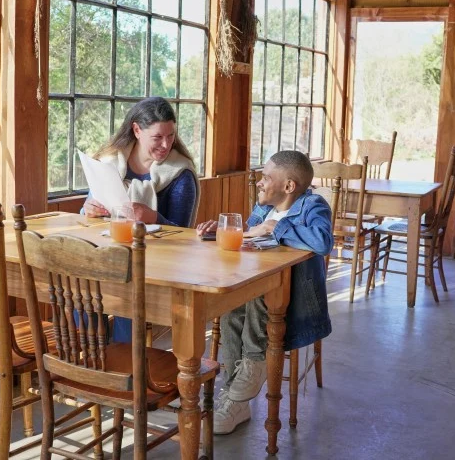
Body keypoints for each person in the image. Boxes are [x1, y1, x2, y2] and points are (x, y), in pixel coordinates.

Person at [196, 150, 334, 435]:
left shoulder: (313, 206)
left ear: (288, 186)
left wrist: (276, 226)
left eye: (266, 177)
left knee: (260, 295)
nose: (259, 182)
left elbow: (323, 242)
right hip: (257, 292)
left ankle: (243, 388)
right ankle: (237, 397)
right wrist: (214, 233)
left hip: (293, 303)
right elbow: (246, 242)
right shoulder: (262, 209)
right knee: (231, 303)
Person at [84, 97, 200, 342]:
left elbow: (184, 239)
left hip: (155, 267)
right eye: (157, 137)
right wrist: (89, 209)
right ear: (136, 130)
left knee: (125, 295)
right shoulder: (109, 163)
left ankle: (126, 369)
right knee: (79, 293)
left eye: (170, 136)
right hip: (108, 257)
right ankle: (90, 363)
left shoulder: (180, 174)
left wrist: (153, 217)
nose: (166, 144)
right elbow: (90, 212)